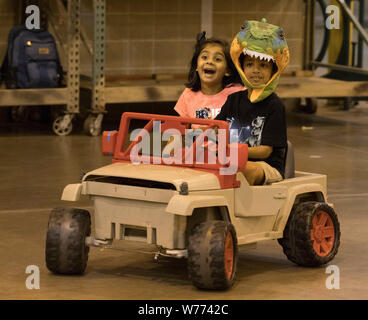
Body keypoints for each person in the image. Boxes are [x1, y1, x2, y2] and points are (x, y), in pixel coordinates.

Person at [215, 19, 290, 185]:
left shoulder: (275, 105)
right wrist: (197, 133)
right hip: (231, 159)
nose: (255, 70)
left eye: (263, 65)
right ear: (242, 68)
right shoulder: (233, 100)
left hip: (265, 166)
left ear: (273, 71)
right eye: (249, 64)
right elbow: (215, 129)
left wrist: (230, 151)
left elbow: (265, 151)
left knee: (243, 169)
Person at [174, 32, 244, 120]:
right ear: (196, 66)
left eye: (217, 59)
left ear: (227, 70)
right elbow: (180, 129)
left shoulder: (238, 93)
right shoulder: (188, 94)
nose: (210, 62)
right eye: (204, 57)